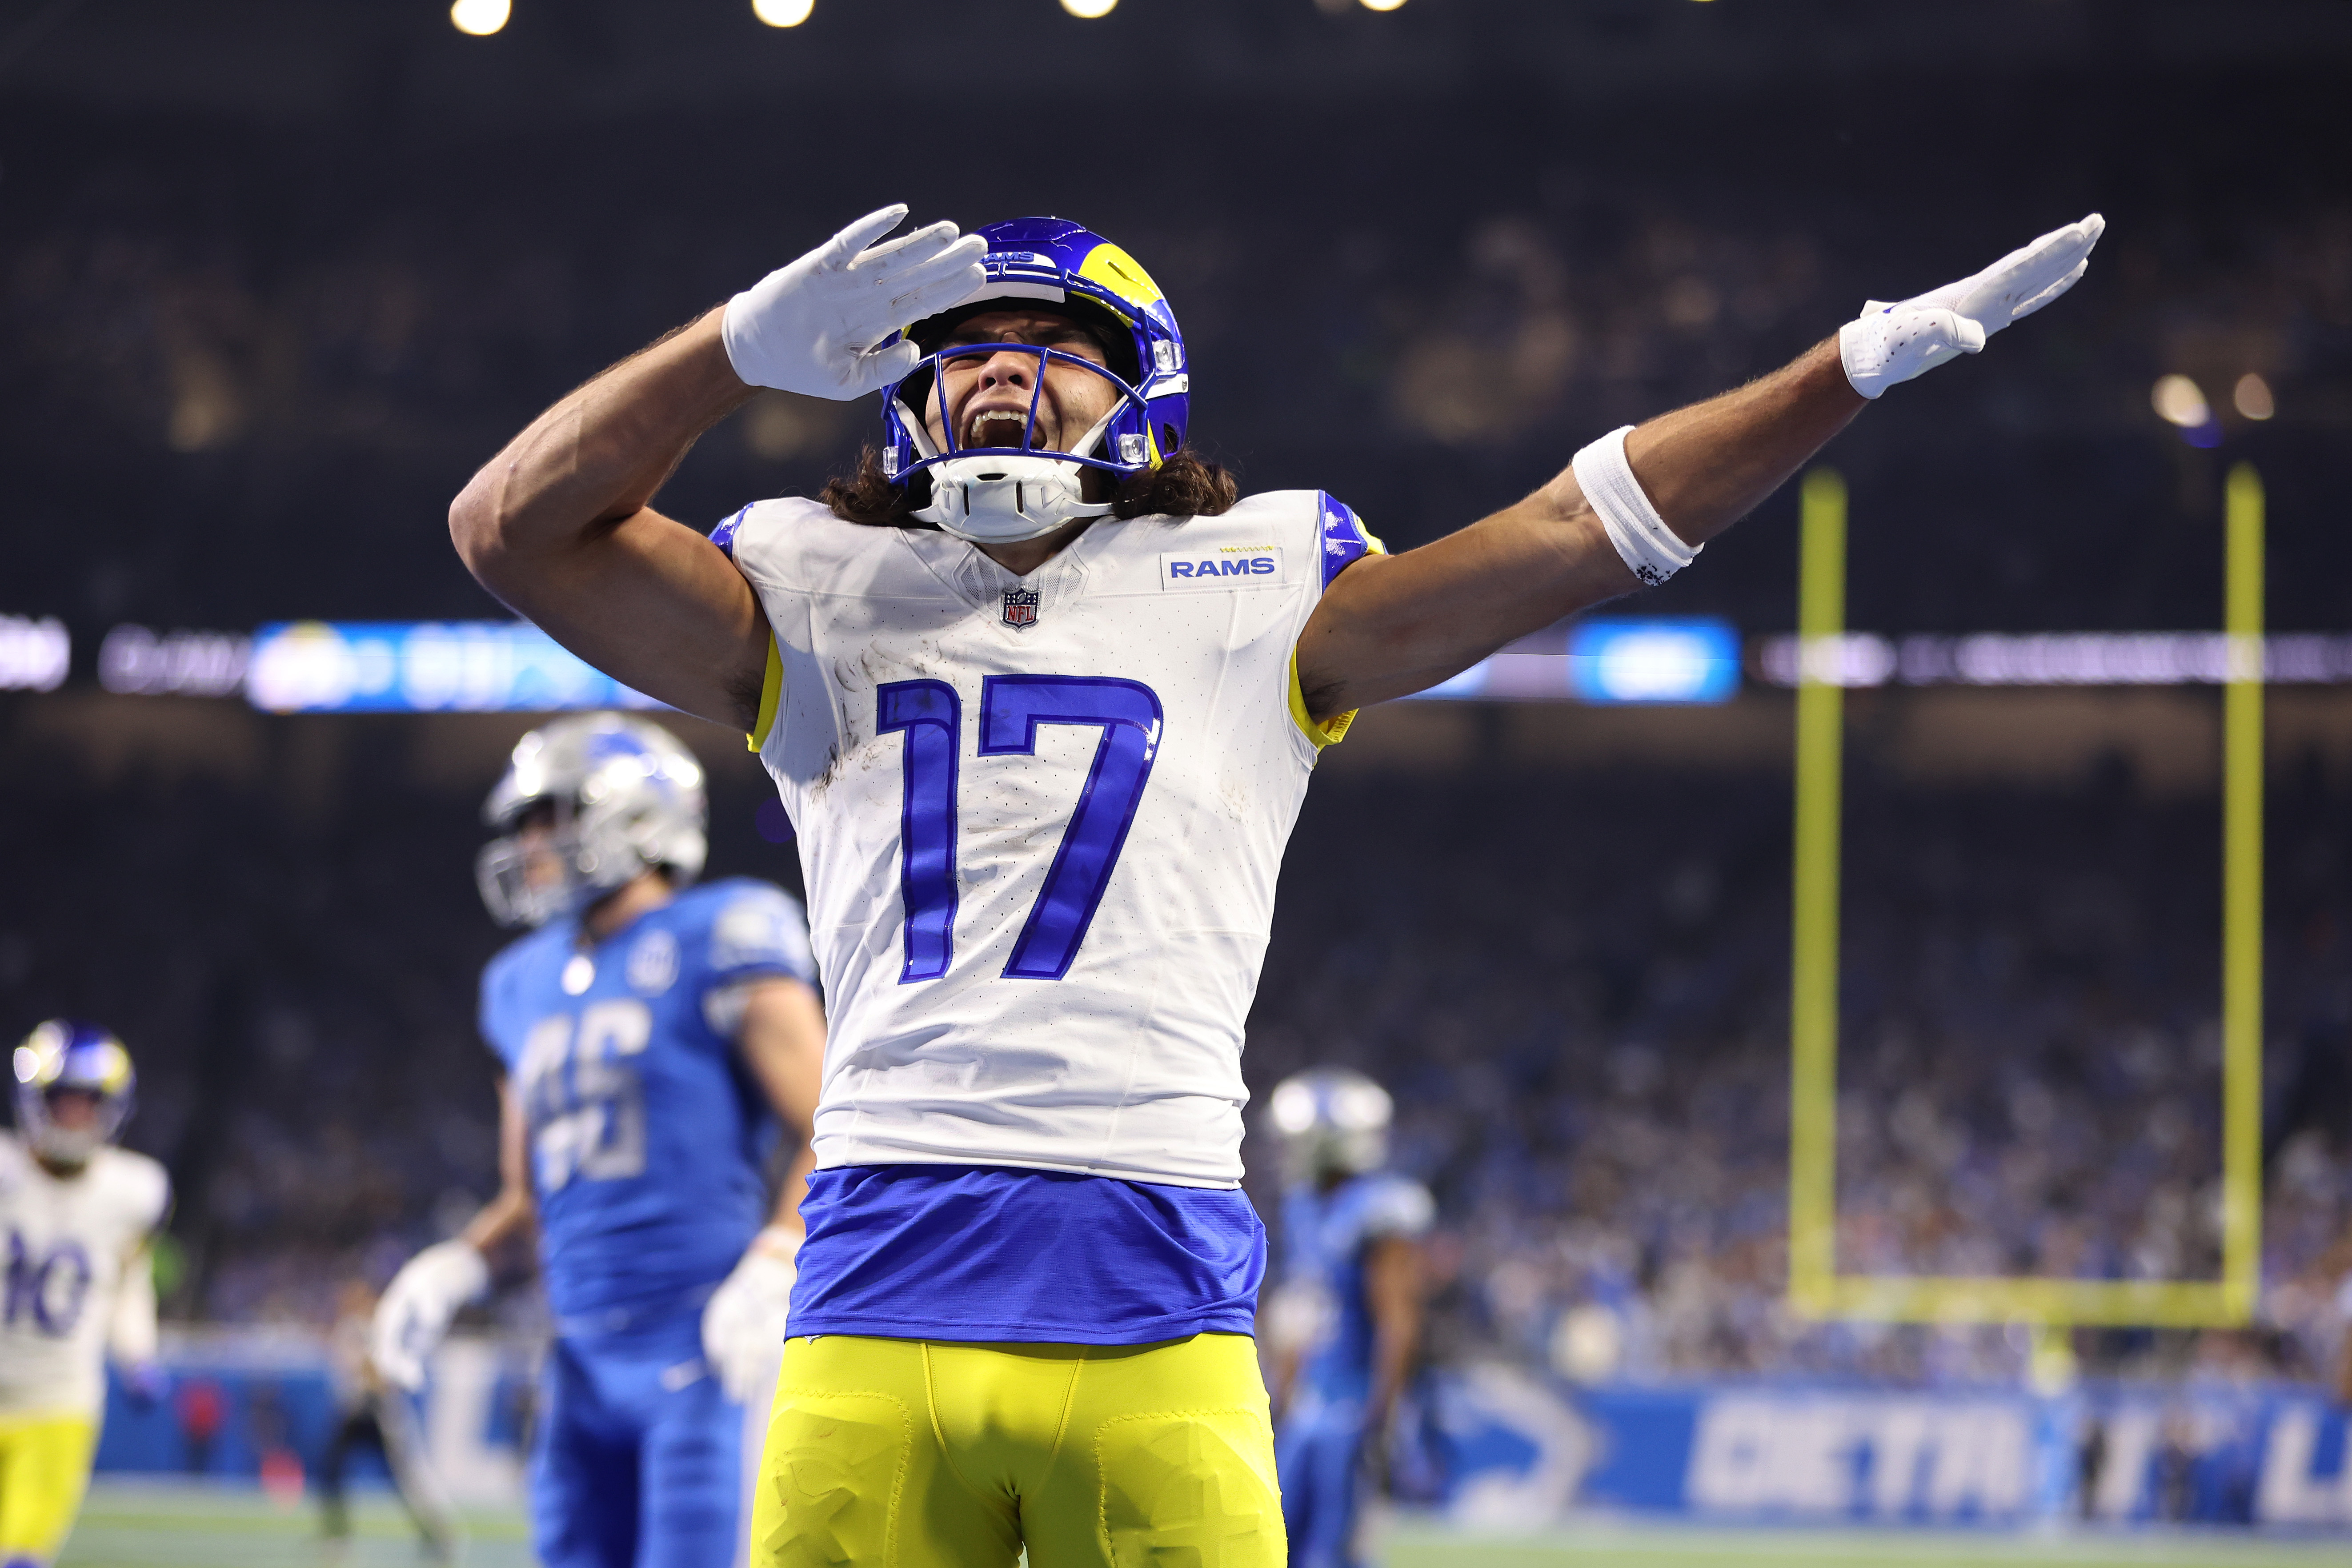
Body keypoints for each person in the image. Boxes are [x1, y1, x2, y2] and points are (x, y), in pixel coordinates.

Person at [444, 202, 2104, 1565]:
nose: (1004, 374)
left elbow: (1575, 530)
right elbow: (511, 526)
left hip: (1153, 1290)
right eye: (966, 351)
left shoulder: (1252, 582)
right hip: (876, 1294)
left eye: (1056, 351)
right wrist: (731, 351)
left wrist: (1845, 367)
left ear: (1144, 390)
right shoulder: (810, 580)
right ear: (904, 398)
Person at [369, 712, 826, 1568]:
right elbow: (527, 1201)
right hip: (577, 1360)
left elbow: (833, 1125)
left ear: (639, 814)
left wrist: (776, 1257)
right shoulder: (518, 983)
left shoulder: (723, 930)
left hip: (707, 1342)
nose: (531, 842)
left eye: (553, 815)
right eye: (523, 824)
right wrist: (453, 1268)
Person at [0, 1021, 171, 1568]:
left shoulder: (133, 1190)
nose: (75, 1115)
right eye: (62, 1100)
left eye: (87, 1102)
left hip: (59, 1395)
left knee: (22, 1558)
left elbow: (128, 1282)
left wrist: (138, 1354)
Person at [1262, 1068, 1432, 1568]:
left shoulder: (1379, 1208)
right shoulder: (1302, 1206)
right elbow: (1302, 1310)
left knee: (1334, 1550)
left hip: (1353, 1403)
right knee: (1277, 1543)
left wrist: (1382, 1413)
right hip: (1311, 1402)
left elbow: (1397, 1321)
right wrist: (1284, 1393)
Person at [319, 1279, 457, 1563]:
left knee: (402, 1481)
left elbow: (381, 1377)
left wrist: (368, 1366)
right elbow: (343, 1373)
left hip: (377, 1413)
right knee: (332, 1471)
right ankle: (337, 1535)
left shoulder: (380, 1331)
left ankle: (434, 1533)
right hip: (353, 1413)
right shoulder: (349, 1330)